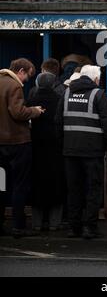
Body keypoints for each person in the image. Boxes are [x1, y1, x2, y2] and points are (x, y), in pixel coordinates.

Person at [56, 65, 107, 239]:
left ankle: (73, 227)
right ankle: (89, 228)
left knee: (74, 189)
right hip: (92, 152)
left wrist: (63, 146)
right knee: (93, 189)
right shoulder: (98, 95)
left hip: (70, 152)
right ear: (96, 79)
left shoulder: (66, 94)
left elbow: (57, 123)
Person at [0, 58, 44, 237]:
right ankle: (19, 226)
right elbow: (18, 112)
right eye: (27, 75)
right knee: (20, 185)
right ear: (20, 71)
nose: (26, 80)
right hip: (17, 143)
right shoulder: (14, 86)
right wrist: (35, 111)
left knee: (1, 185)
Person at [27, 72, 64, 232]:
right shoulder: (59, 99)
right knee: (56, 184)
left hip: (35, 147)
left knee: (37, 184)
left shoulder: (31, 99)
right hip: (56, 148)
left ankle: (36, 223)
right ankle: (55, 223)